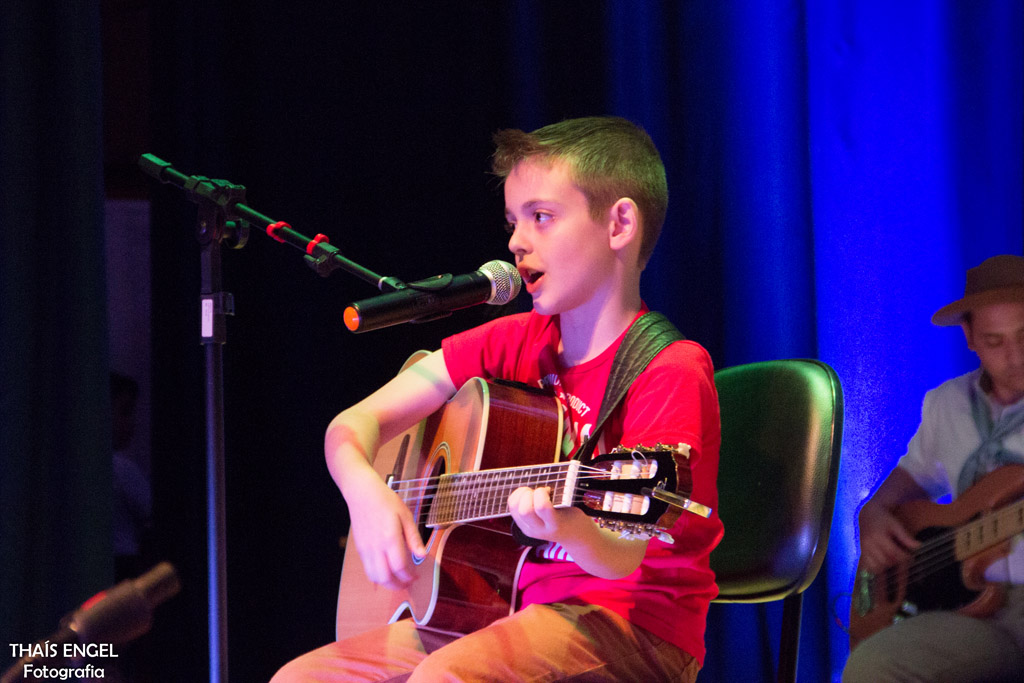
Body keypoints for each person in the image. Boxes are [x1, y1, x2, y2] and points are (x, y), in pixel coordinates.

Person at [271, 116, 722, 682]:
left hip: (634, 623)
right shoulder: (514, 342)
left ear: (619, 224)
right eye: (513, 222)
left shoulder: (669, 369)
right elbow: (353, 424)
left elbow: (622, 555)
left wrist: (569, 526)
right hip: (494, 609)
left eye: (541, 216)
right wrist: (365, 492)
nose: (515, 242)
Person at [844, 254, 1024, 682]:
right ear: (969, 337)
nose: (1015, 357)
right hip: (969, 608)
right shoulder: (948, 402)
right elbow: (911, 478)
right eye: (995, 341)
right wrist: (872, 513)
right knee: (871, 665)